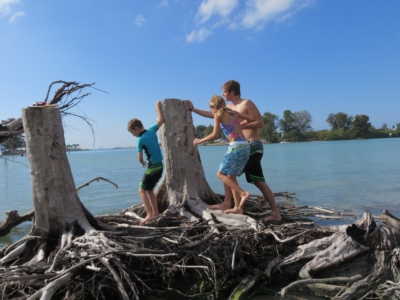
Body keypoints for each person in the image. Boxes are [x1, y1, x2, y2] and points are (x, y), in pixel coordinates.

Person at [188, 80, 282, 223]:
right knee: (258, 181)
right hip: (246, 146)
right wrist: (194, 109)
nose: (223, 94)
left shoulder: (246, 103)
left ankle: (232, 204)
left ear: (232, 91)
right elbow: (212, 114)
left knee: (227, 172)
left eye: (224, 91)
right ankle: (275, 213)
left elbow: (260, 122)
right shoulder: (228, 108)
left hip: (252, 145)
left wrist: (242, 124)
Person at [192, 95, 255, 214]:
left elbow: (215, 135)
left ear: (216, 107)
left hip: (235, 146)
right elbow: (251, 118)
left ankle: (243, 193)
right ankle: (237, 208)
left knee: (220, 174)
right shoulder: (233, 113)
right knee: (231, 177)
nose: (211, 111)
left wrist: (199, 140)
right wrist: (242, 124)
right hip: (245, 145)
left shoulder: (218, 115)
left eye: (212, 108)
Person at [127, 101, 164, 225]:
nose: (132, 135)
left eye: (132, 132)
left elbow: (140, 157)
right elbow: (161, 120)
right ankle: (156, 212)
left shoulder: (140, 140)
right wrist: (158, 108)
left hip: (152, 168)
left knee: (141, 190)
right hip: (160, 167)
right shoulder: (152, 131)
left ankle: (149, 214)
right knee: (149, 190)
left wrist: (142, 163)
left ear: (136, 129)